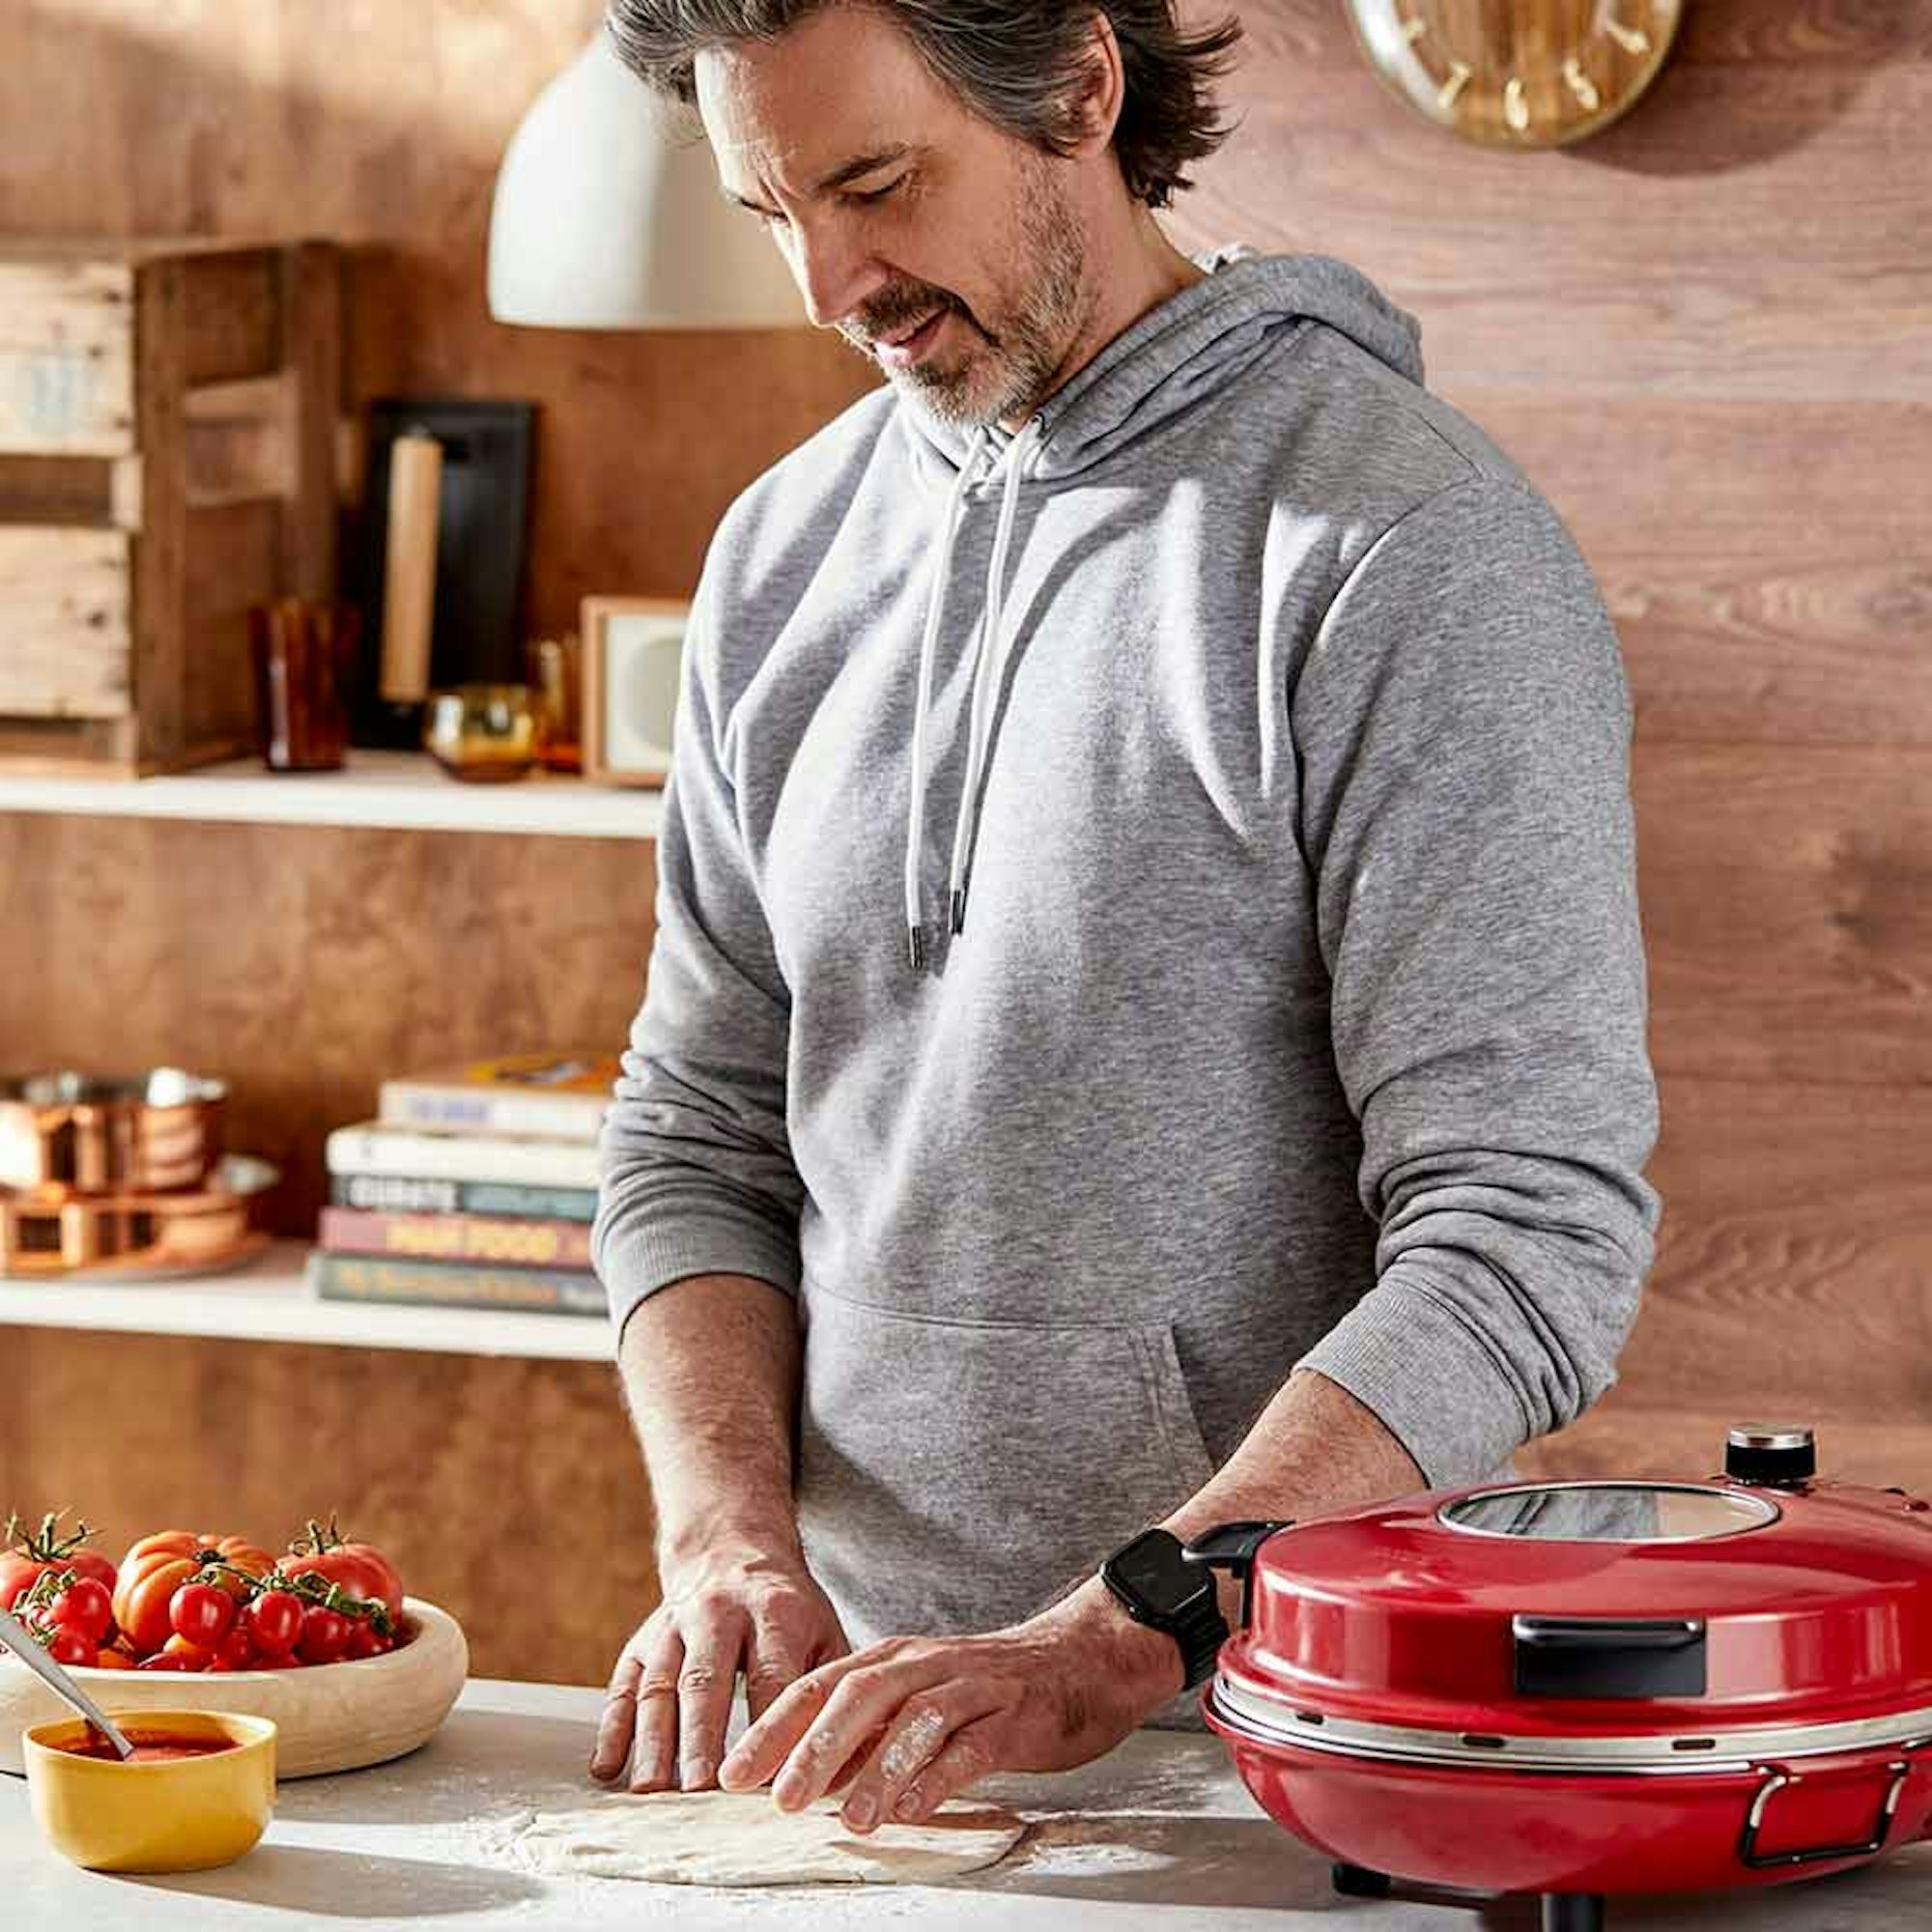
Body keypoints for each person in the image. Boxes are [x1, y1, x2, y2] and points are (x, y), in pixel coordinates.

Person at [586, 0, 1662, 1844]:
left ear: (1081, 88)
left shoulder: (1410, 552)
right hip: (857, 1745)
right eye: (776, 211)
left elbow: (1526, 1241)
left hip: (1305, 1750)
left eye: (874, 182)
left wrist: (1108, 1641)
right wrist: (728, 1542)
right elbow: (695, 1134)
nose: (832, 281)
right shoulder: (780, 552)